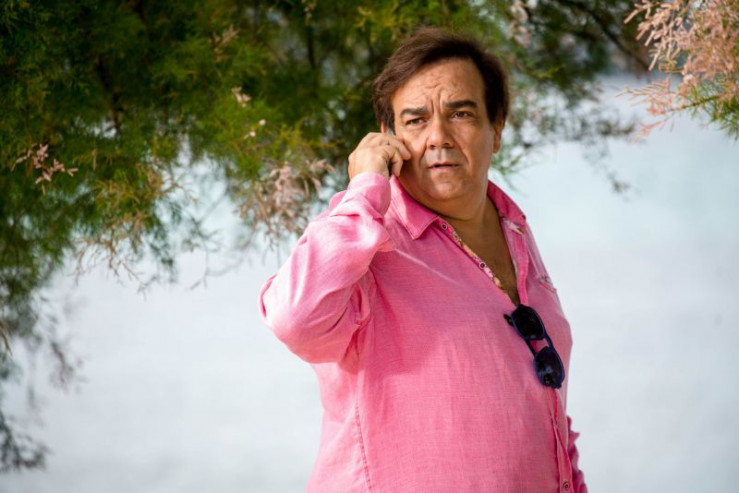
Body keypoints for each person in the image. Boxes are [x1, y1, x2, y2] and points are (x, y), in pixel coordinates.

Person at [259, 27, 586, 493]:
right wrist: (364, 189)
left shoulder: (514, 231)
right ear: (388, 139)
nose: (438, 137)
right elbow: (294, 318)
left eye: (461, 114)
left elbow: (547, 408)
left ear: (496, 128)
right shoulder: (368, 243)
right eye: (415, 121)